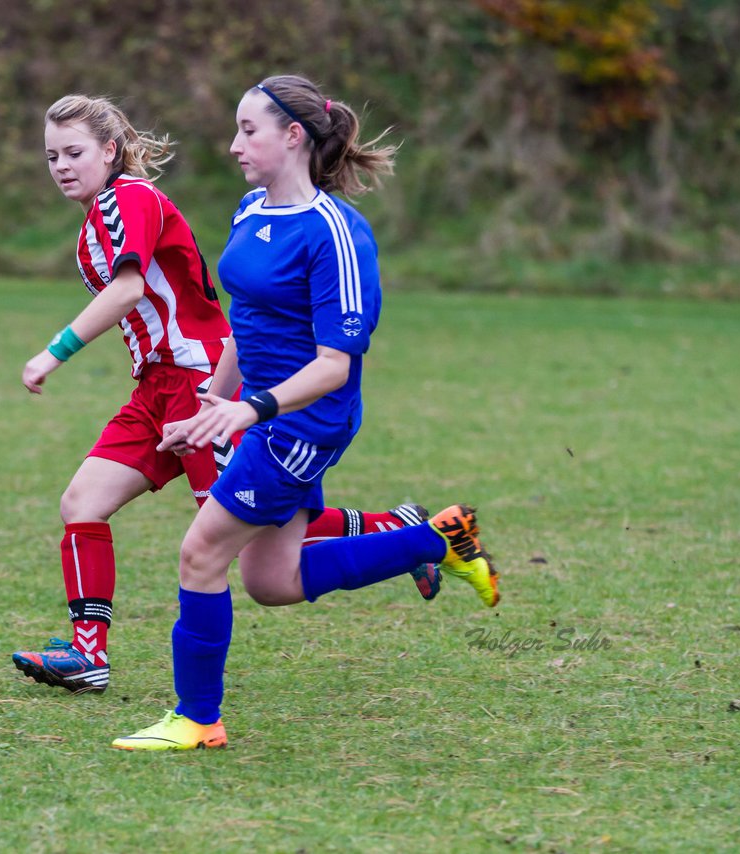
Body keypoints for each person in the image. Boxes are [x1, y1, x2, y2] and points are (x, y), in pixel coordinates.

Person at [111, 76, 500, 751]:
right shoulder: (251, 208)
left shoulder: (336, 234)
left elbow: (334, 366)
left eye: (249, 131)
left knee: (199, 553)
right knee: (273, 581)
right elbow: (247, 318)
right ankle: (437, 540)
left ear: (294, 135)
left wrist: (249, 411)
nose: (234, 145)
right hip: (261, 415)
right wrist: (214, 400)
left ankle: (197, 717)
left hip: (304, 424)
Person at [11, 94, 441, 696]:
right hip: (158, 389)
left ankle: (397, 530)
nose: (60, 164)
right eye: (52, 154)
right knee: (83, 502)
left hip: (201, 382)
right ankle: (89, 656)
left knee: (245, 539)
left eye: (75, 152)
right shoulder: (101, 216)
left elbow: (131, 288)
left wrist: (52, 352)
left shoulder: (128, 198)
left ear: (110, 152)